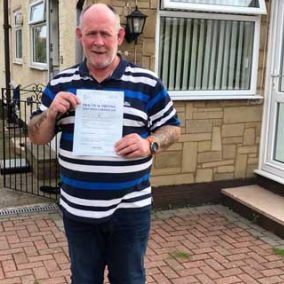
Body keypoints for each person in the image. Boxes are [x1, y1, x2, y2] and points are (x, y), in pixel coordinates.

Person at [28, 3, 180, 283]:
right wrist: (50, 114)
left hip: (130, 210)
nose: (98, 42)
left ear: (119, 36)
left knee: (130, 279)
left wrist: (151, 143)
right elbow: (37, 137)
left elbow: (172, 128)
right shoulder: (61, 83)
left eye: (106, 34)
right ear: (79, 35)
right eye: (91, 34)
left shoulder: (147, 82)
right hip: (78, 208)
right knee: (84, 278)